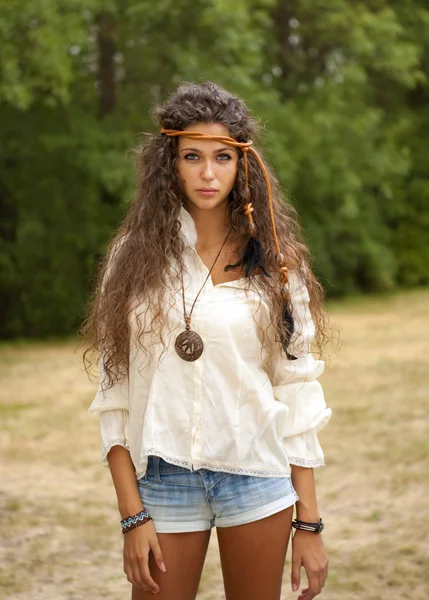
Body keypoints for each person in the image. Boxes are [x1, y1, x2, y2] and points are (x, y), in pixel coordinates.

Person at [83, 81, 332, 600]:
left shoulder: (277, 264)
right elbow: (114, 395)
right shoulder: (132, 259)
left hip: (256, 474)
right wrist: (132, 516)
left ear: (243, 165)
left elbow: (297, 390)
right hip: (163, 480)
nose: (208, 172)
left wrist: (308, 523)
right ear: (168, 163)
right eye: (192, 156)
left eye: (222, 157)